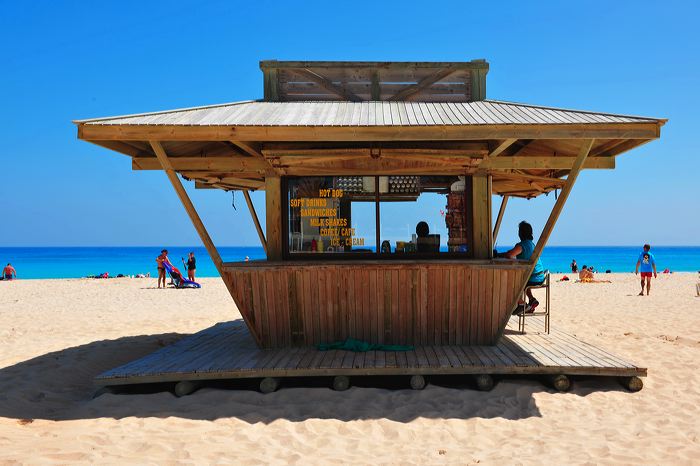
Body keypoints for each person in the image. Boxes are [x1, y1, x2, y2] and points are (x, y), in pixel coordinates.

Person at [503, 221, 546, 313]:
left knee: (515, 281)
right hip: (540, 277)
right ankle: (531, 299)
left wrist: (514, 262)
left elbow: (509, 255)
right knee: (524, 280)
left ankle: (522, 304)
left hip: (533, 278)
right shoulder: (532, 244)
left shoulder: (522, 245)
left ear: (521, 233)